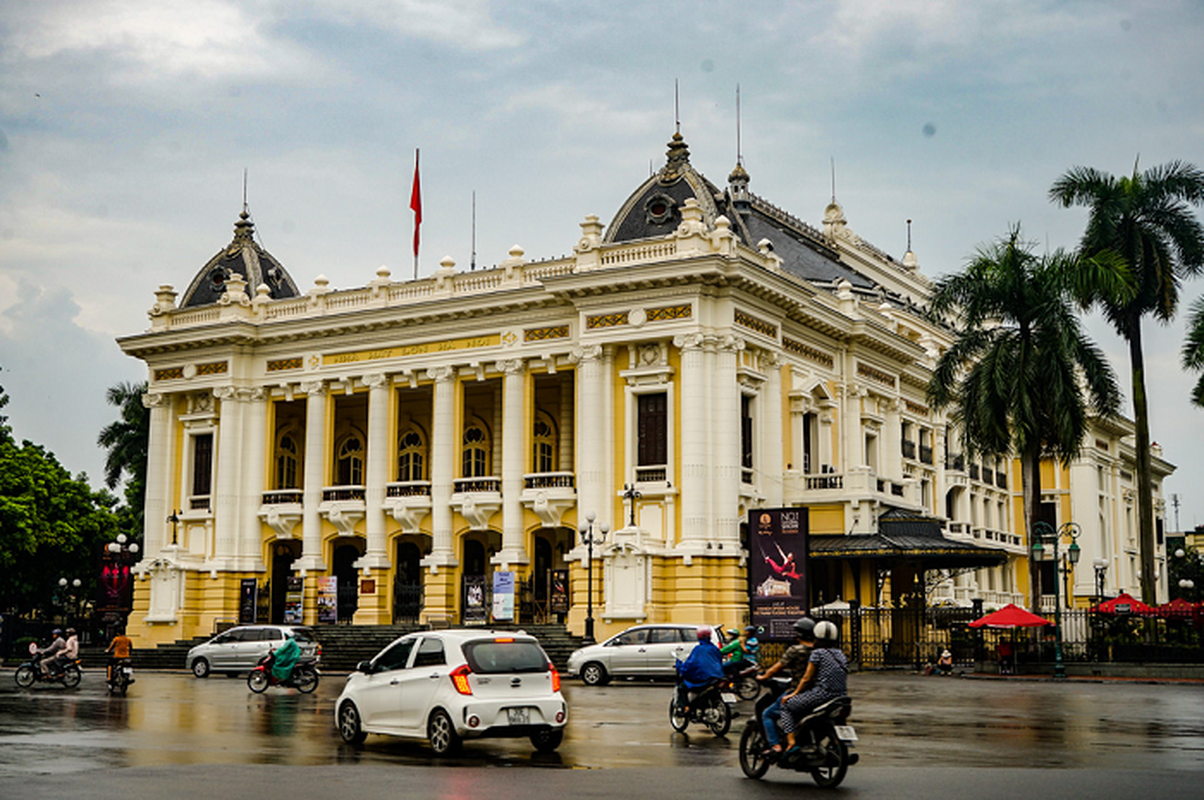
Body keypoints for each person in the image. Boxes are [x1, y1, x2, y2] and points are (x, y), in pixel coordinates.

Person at [779, 619, 849, 758]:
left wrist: (793, 694)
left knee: (786, 706)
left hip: (822, 695)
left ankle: (791, 743)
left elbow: (806, 678)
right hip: (842, 697)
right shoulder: (840, 654)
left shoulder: (817, 653)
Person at [757, 617, 815, 757]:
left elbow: (777, 667)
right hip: (817, 692)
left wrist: (763, 676)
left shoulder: (795, 650)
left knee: (768, 714)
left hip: (798, 691)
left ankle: (775, 745)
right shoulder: (819, 651)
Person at [674, 626, 725, 715]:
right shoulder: (714, 648)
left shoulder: (698, 649)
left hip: (703, 679)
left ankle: (685, 708)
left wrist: (680, 665)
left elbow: (690, 664)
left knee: (682, 688)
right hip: (717, 677)